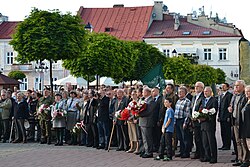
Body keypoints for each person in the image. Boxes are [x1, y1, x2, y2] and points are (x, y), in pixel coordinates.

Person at [229, 80, 248, 167]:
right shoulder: (234, 96)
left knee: (243, 141)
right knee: (237, 141)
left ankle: (245, 159)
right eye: (235, 86)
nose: (236, 87)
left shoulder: (245, 97)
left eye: (238, 86)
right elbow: (231, 105)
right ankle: (239, 158)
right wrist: (230, 108)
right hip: (235, 121)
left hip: (242, 122)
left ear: (243, 87)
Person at [199, 87, 218, 164]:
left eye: (207, 91)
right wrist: (200, 116)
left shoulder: (214, 100)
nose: (205, 93)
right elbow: (200, 109)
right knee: (205, 141)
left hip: (210, 123)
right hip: (203, 124)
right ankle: (207, 156)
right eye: (204, 91)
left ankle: (214, 157)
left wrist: (206, 117)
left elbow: (214, 111)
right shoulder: (203, 100)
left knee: (211, 141)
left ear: (210, 92)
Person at [138, 87, 156, 158]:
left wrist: (139, 114)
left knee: (148, 137)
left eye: (143, 92)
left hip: (147, 121)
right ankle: (145, 150)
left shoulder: (151, 101)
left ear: (147, 92)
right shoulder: (144, 100)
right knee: (144, 138)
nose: (142, 93)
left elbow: (148, 111)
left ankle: (149, 152)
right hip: (142, 121)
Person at [189, 81, 205, 161]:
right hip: (193, 120)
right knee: (196, 138)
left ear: (202, 88)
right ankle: (198, 152)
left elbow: (202, 108)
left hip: (199, 120)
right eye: (195, 86)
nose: (196, 88)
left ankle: (202, 154)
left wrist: (197, 116)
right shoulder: (194, 97)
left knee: (200, 138)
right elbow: (191, 107)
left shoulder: (203, 97)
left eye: (198, 86)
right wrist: (190, 116)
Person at [175, 86, 192, 158]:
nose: (179, 93)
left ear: (185, 93)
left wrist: (185, 123)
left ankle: (186, 152)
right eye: (179, 92)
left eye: (181, 92)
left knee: (185, 137)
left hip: (183, 120)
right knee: (180, 137)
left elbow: (188, 113)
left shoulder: (187, 101)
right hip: (177, 120)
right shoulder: (178, 101)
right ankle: (181, 151)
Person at [218, 83, 233, 150]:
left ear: (227, 87)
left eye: (224, 86)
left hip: (226, 116)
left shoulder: (229, 95)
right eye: (222, 86)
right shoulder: (221, 95)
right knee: (222, 131)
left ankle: (227, 145)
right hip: (221, 116)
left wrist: (228, 116)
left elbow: (229, 106)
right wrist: (219, 116)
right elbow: (220, 107)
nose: (222, 87)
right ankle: (224, 144)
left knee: (227, 132)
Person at [239, 85, 250, 167]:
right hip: (245, 128)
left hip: (249, 128)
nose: (247, 93)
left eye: (248, 91)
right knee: (246, 146)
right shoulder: (246, 101)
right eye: (246, 91)